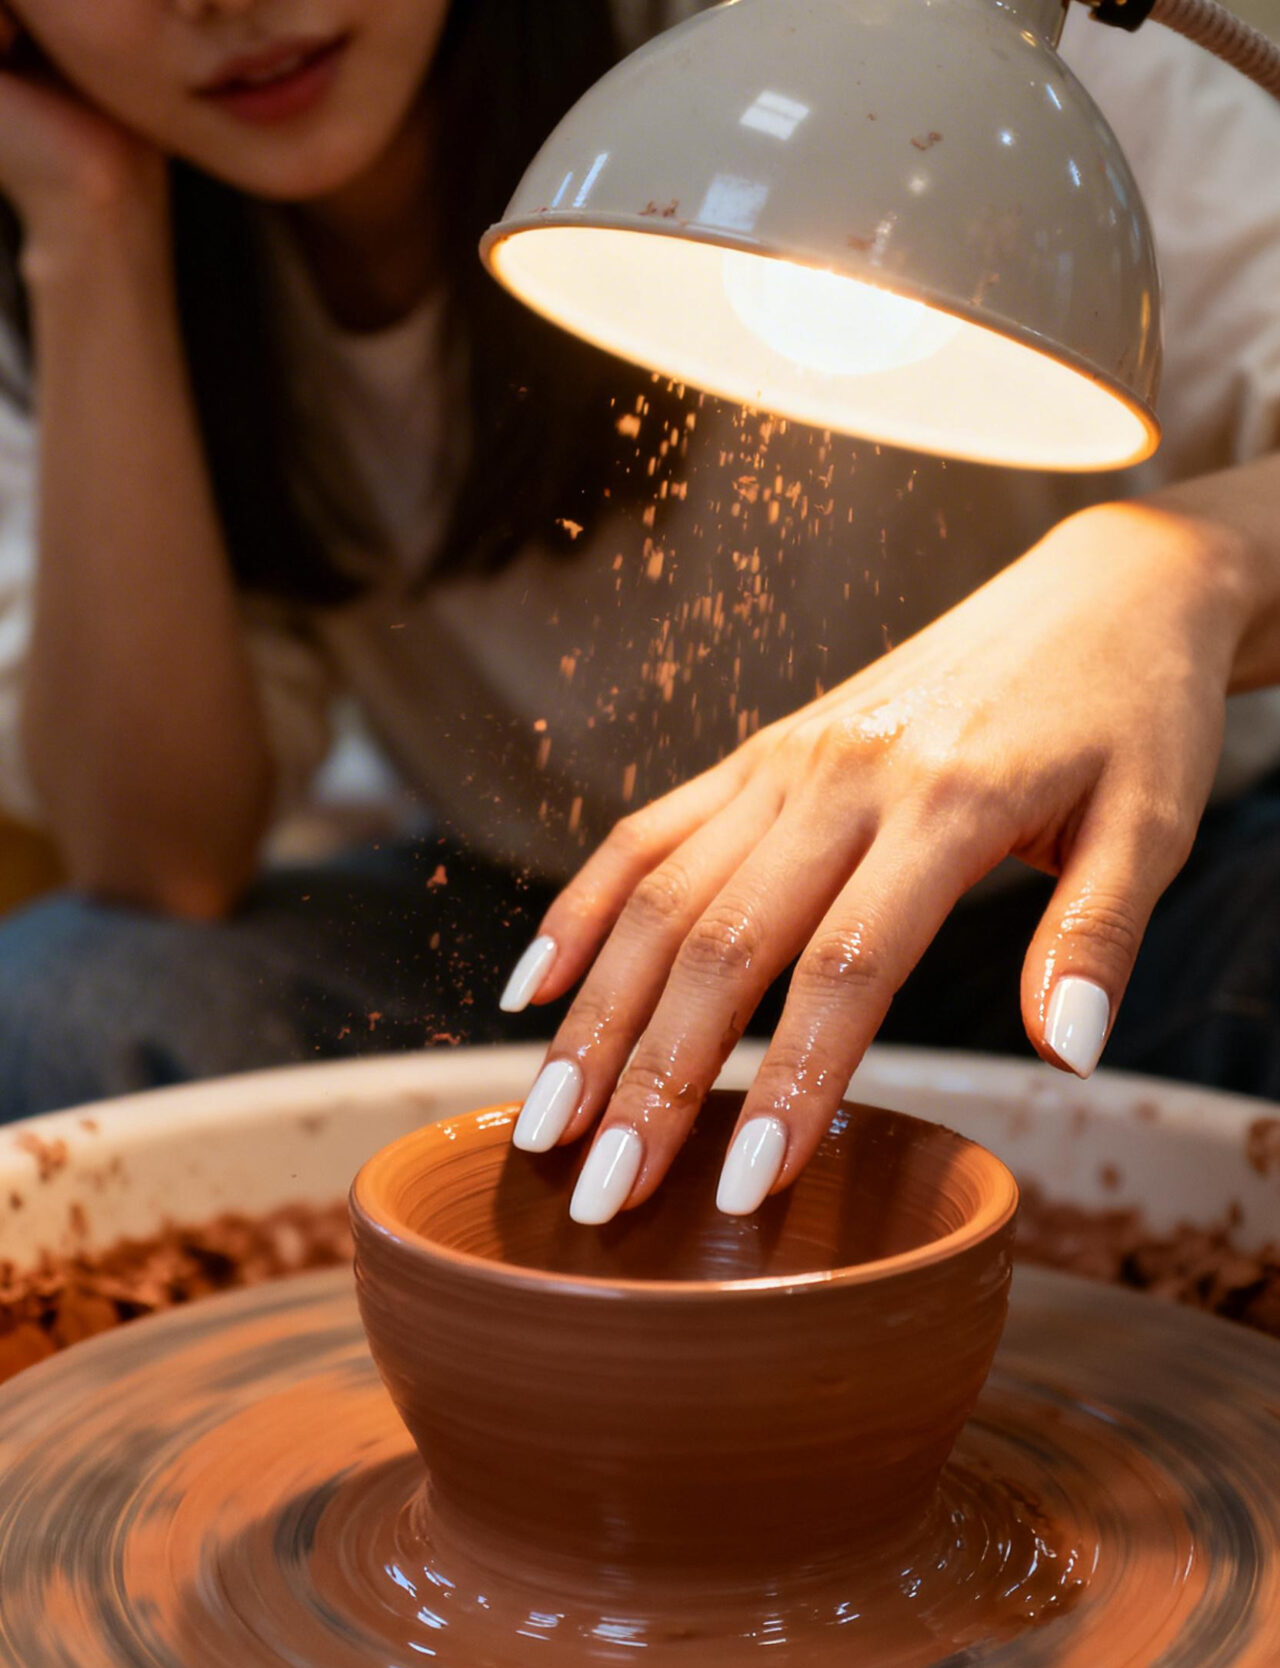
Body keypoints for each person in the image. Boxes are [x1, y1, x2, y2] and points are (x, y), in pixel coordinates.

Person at [0, 6, 1276, 1222]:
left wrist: (1166, 571)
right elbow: (161, 858)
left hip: (1107, 918)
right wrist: (88, 222)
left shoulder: (924, 50)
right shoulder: (91, 267)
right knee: (75, 994)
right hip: (568, 934)